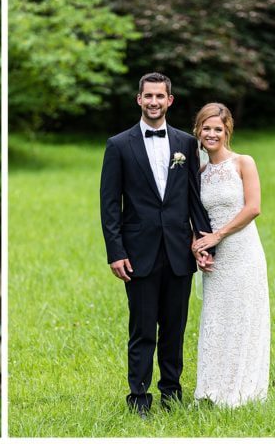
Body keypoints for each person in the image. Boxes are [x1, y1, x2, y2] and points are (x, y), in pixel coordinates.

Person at [99, 72, 213, 417]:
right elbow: (109, 205)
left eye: (159, 97)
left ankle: (172, 392)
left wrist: (204, 241)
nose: (153, 102)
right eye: (148, 96)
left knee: (175, 328)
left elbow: (194, 197)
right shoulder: (119, 145)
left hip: (179, 250)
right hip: (138, 253)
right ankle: (138, 396)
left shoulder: (184, 143)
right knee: (143, 327)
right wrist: (116, 252)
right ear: (139, 100)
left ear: (169, 101)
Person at [190, 102, 270, 407]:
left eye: (217, 129)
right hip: (215, 256)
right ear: (198, 131)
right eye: (206, 128)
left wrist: (219, 235)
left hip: (243, 250)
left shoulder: (243, 163)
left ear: (227, 131)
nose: (211, 134)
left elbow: (253, 207)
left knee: (243, 316)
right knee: (217, 318)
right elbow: (195, 217)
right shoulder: (199, 171)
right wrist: (199, 248)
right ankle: (211, 389)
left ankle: (243, 388)